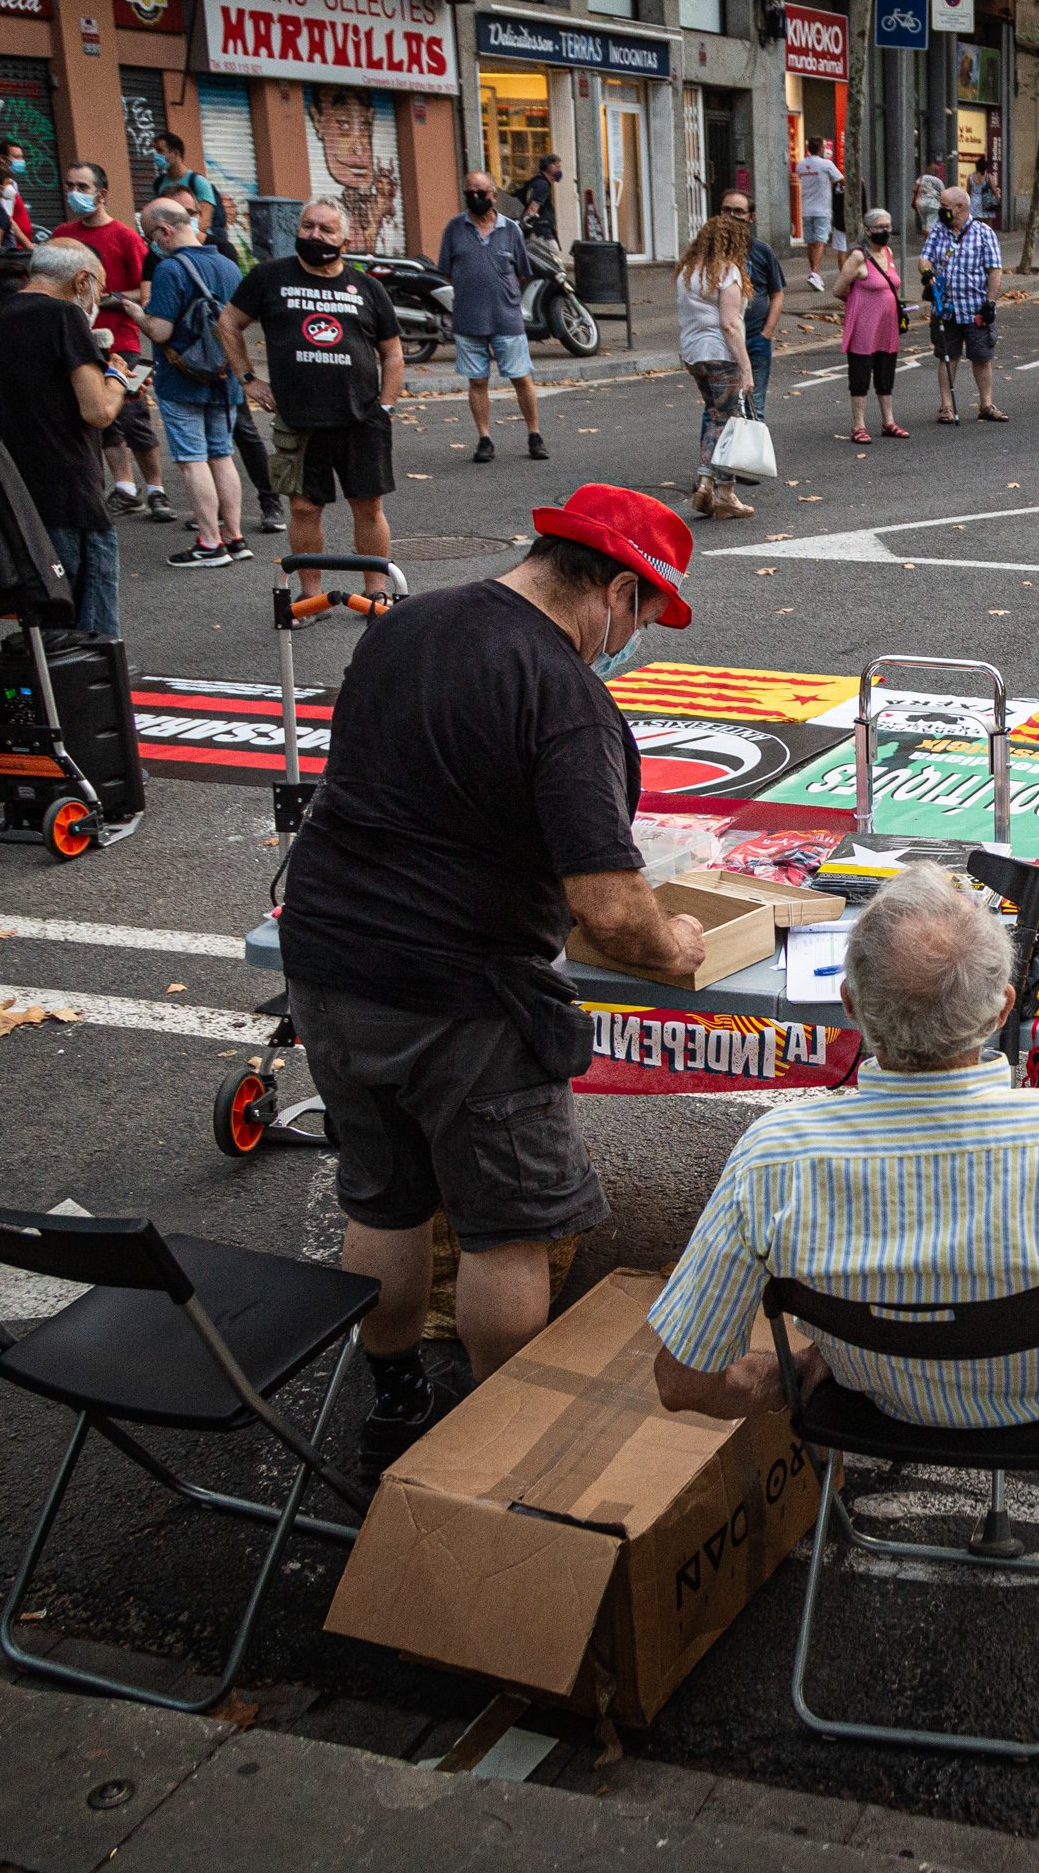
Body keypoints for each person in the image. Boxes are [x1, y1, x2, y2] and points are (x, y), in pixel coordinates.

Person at [281, 483, 710, 1458]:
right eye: (640, 613)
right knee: (503, 1230)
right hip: (460, 998)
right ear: (612, 588)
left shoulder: (408, 624)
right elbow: (609, 905)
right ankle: (493, 1433)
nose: (630, 635)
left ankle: (393, 1401)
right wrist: (672, 942)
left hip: (328, 961)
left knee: (382, 1197)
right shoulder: (566, 696)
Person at [646, 868, 1039, 1428]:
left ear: (851, 1007)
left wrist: (784, 1375)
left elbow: (682, 1380)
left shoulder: (775, 1156)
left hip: (870, 1404)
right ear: (1004, 1007)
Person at [220, 197, 405, 606]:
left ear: (345, 238)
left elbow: (392, 352)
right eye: (308, 226)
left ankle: (376, 594)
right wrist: (247, 378)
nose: (315, 235)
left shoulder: (367, 287)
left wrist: (386, 406)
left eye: (326, 229)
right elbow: (229, 322)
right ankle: (310, 597)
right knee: (304, 509)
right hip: (299, 418)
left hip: (361, 417)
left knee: (368, 506)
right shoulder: (270, 277)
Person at [0, 240, 132, 637]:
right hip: (69, 491)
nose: (96, 299)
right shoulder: (63, 317)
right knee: (91, 628)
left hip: (13, 489)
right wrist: (119, 379)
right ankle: (89, 697)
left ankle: (50, 696)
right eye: (98, 287)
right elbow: (98, 411)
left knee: (45, 620)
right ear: (81, 280)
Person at [48, 163, 170, 526]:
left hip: (122, 340)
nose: (74, 192)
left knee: (134, 416)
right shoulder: (62, 235)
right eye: (69, 185)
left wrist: (100, 298)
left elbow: (144, 292)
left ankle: (156, 490)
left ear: (101, 194)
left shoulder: (125, 237)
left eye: (82, 186)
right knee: (102, 419)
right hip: (79, 342)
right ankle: (125, 489)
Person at [137, 200, 250, 571]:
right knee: (221, 454)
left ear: (165, 231)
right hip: (224, 375)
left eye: (150, 235)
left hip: (182, 379)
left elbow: (161, 329)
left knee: (192, 459)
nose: (151, 243)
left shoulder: (171, 269)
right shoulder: (228, 265)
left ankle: (209, 542)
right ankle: (234, 536)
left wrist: (136, 312)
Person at [437, 169, 546, 465]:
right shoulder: (454, 229)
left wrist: (505, 296)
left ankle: (534, 434)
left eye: (481, 193)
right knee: (477, 381)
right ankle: (484, 438)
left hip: (506, 318)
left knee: (521, 377)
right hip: (468, 319)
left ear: (494, 196)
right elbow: (446, 269)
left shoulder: (510, 229)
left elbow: (522, 271)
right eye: (469, 193)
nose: (475, 198)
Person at [671, 210, 758, 520]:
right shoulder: (727, 272)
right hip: (721, 354)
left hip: (694, 354)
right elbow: (729, 325)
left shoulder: (687, 272)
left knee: (714, 416)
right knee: (730, 422)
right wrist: (746, 368)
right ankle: (725, 492)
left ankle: (705, 482)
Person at [922, 183, 1008, 424]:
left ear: (960, 208)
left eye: (944, 207)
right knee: (947, 356)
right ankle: (946, 407)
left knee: (982, 357)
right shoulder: (939, 230)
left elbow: (995, 270)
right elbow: (924, 258)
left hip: (975, 308)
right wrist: (927, 273)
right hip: (946, 307)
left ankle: (986, 404)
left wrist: (990, 303)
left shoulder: (983, 233)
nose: (941, 211)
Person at [835, 208, 907, 444]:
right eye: (880, 227)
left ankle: (888, 421)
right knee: (860, 375)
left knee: (886, 374)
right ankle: (858, 425)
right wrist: (860, 304)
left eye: (888, 226)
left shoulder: (888, 252)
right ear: (867, 230)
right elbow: (838, 289)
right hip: (864, 327)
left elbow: (892, 285)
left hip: (887, 327)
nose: (885, 231)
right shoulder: (858, 256)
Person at [722, 189, 784, 420]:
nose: (732, 215)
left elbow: (777, 293)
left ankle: (753, 455)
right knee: (720, 406)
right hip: (724, 338)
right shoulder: (711, 251)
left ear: (751, 217)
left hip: (756, 337)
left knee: (754, 403)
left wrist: (767, 333)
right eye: (726, 210)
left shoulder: (761, 250)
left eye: (739, 211)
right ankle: (716, 456)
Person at [150, 132, 224, 244]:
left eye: (160, 151)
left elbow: (205, 221)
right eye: (156, 151)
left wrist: (184, 239)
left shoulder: (198, 182)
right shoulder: (158, 184)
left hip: (198, 244)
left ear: (175, 153)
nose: (156, 156)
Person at [795, 139, 842, 291]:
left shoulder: (801, 164)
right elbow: (842, 180)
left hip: (806, 209)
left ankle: (814, 274)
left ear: (808, 148)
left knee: (810, 242)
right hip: (822, 209)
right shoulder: (826, 164)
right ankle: (815, 273)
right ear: (821, 148)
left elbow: (801, 176)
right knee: (820, 241)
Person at [518, 154, 564, 238]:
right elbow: (533, 208)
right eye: (558, 167)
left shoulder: (536, 182)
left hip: (536, 231)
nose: (559, 171)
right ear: (550, 167)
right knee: (551, 249)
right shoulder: (542, 185)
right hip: (540, 233)